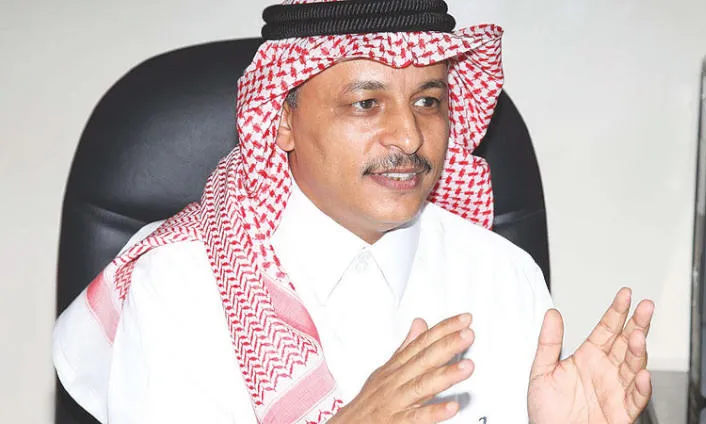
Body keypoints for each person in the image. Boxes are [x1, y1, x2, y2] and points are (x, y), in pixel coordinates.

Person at [53, 0, 655, 423]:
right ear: (282, 119)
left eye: (428, 102)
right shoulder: (184, 282)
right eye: (366, 103)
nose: (410, 137)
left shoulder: (503, 274)